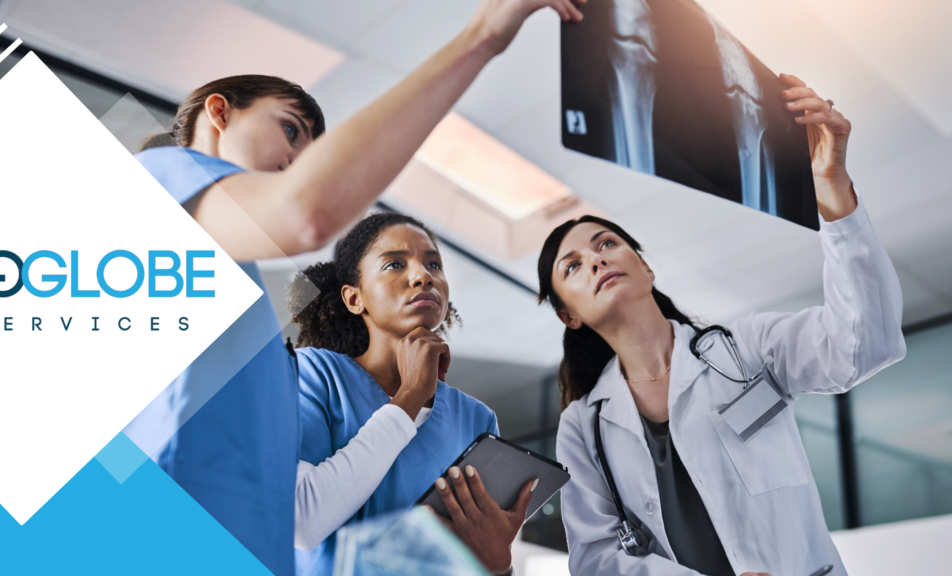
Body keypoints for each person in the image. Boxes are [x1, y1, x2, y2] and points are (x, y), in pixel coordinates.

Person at [122, 2, 586, 575]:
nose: (296, 162)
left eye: (433, 263)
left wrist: (495, 564)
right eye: (289, 129)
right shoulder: (158, 181)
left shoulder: (253, 334)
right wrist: (484, 36)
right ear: (219, 112)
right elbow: (307, 214)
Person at [536, 75, 905, 576]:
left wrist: (832, 189)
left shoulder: (747, 350)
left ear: (645, 267)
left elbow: (864, 344)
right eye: (572, 266)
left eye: (605, 244)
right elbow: (596, 558)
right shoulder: (585, 426)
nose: (596, 261)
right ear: (569, 315)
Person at [291, 212, 535, 576]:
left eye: (433, 263)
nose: (424, 276)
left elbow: (468, 561)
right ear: (354, 298)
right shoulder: (314, 374)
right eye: (393, 264)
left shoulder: (476, 419)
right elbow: (303, 523)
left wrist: (499, 565)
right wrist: (411, 396)